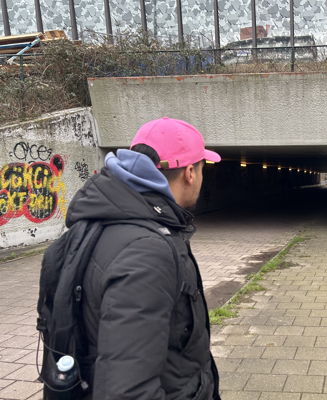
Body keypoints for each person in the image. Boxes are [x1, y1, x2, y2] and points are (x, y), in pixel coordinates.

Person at [65, 117, 221, 399]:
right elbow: (127, 389)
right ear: (190, 173)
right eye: (202, 168)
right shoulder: (147, 252)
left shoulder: (96, 223)